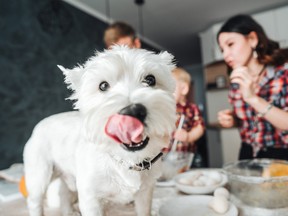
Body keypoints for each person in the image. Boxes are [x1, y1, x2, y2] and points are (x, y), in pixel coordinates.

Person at [217, 14, 288, 160]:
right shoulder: (236, 82)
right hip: (247, 152)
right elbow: (248, 121)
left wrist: (253, 99)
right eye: (222, 49)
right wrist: (233, 119)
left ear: (252, 39)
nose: (225, 55)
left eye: (230, 44)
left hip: (281, 156)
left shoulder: (282, 73)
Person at [164, 67, 205, 162]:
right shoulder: (164, 109)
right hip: (165, 155)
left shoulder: (191, 109)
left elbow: (200, 127)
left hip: (185, 156)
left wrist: (188, 136)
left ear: (183, 89)